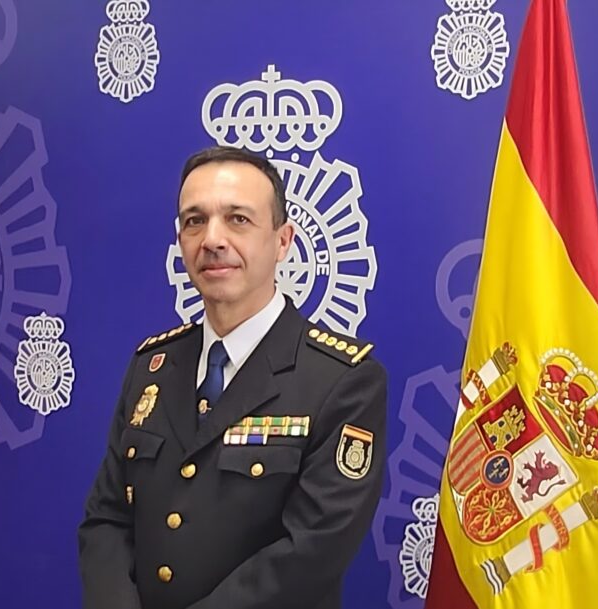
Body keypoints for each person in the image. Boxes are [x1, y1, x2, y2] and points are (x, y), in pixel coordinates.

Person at [78, 146, 387, 609]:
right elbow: (107, 519)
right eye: (195, 221)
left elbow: (311, 553)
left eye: (238, 219)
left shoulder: (343, 381)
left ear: (283, 241)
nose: (212, 239)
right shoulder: (151, 367)